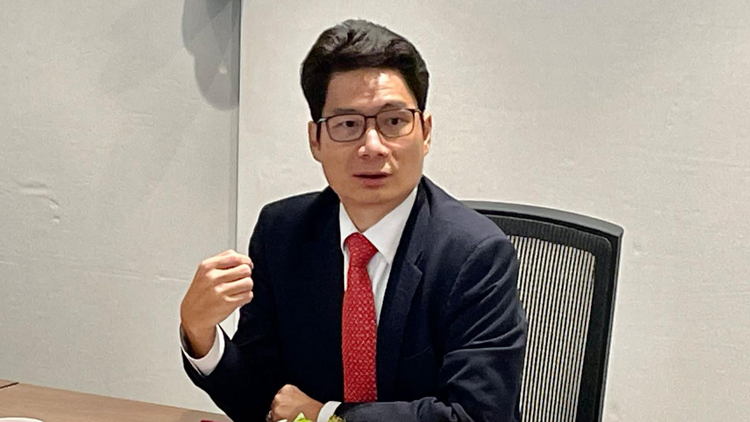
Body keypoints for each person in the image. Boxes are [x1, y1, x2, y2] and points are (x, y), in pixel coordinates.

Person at [180, 19, 527, 422]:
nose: (372, 146)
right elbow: (267, 400)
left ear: (426, 132)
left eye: (393, 122)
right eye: (348, 125)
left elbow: (477, 415)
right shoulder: (283, 233)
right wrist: (200, 334)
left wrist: (329, 416)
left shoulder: (474, 254)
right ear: (315, 140)